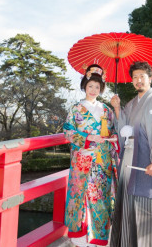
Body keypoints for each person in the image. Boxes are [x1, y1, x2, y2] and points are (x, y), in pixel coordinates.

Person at [110, 61, 152, 247]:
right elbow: (124, 130)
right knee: (129, 209)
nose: (138, 81)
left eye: (142, 76)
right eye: (135, 77)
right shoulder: (131, 104)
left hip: (147, 163)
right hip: (130, 164)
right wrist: (117, 108)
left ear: (150, 78)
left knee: (146, 212)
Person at [63, 64, 119, 247]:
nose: (93, 90)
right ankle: (79, 238)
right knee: (80, 196)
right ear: (84, 87)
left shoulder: (106, 110)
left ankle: (99, 238)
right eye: (90, 86)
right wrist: (87, 138)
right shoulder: (76, 108)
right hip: (82, 160)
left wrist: (111, 137)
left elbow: (114, 131)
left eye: (97, 87)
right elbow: (67, 131)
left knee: (100, 198)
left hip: (102, 161)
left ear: (101, 88)